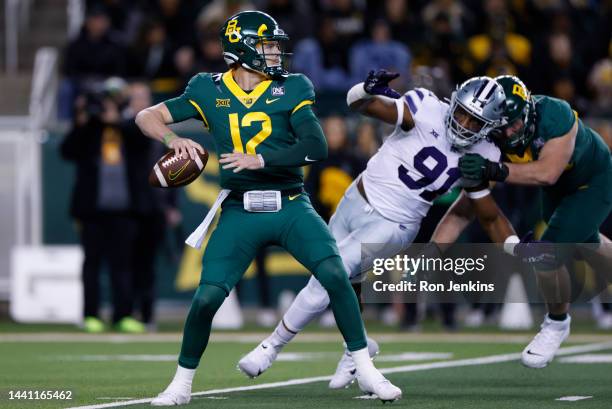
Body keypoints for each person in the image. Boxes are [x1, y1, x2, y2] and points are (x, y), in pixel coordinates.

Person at [134, 11, 401, 405]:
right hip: (241, 209)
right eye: (267, 45)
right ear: (241, 50)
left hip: (290, 204)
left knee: (334, 274)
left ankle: (365, 368)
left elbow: (316, 146)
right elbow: (146, 115)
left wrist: (263, 160)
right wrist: (173, 139)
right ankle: (181, 383)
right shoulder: (207, 89)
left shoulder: (292, 87)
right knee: (207, 297)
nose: (275, 52)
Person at [238, 69, 515, 389]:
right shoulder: (425, 108)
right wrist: (364, 89)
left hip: (395, 223)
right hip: (356, 197)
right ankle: (356, 348)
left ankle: (271, 346)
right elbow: (362, 105)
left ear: (490, 127)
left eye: (475, 122)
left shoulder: (487, 154)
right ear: (453, 103)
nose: (465, 125)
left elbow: (469, 212)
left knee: (331, 271)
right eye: (464, 114)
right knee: (349, 283)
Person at [446, 75, 612, 368]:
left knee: (546, 254)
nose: (510, 131)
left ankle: (556, 323)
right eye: (503, 126)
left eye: (516, 123)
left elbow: (547, 172)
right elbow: (477, 198)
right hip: (557, 189)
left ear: (528, 110)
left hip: (592, 180)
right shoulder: (492, 136)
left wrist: (493, 169)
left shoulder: (554, 113)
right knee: (587, 242)